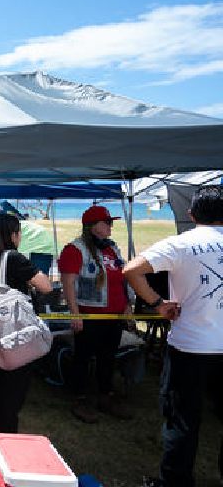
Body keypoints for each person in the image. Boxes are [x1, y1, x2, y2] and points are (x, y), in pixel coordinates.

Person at [123, 186, 223, 487]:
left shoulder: (181, 244)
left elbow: (131, 269)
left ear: (191, 214)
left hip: (189, 347)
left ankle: (175, 482)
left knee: (182, 420)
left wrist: (157, 304)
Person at [58, 205, 133, 424]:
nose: (110, 226)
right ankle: (80, 399)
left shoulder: (112, 248)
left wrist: (127, 305)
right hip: (90, 315)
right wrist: (75, 313)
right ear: (93, 226)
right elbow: (68, 282)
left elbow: (122, 278)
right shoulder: (75, 249)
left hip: (114, 316)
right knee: (83, 357)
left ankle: (105, 395)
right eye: (107, 222)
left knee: (107, 357)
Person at [0, 214, 52, 433]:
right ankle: (6, 436)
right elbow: (45, 285)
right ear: (13, 234)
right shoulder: (14, 258)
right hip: (15, 332)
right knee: (13, 389)